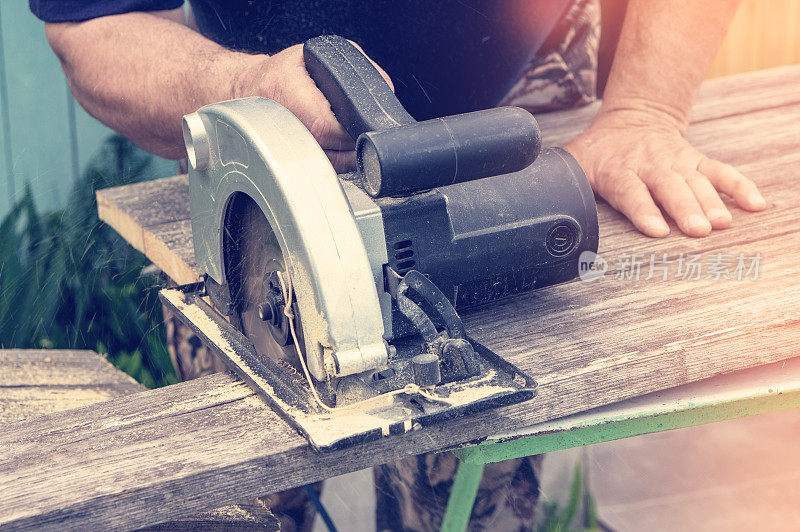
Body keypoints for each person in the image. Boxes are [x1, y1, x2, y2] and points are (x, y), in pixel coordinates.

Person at [31, 1, 766, 530]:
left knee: (466, 478)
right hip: (257, 106)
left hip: (523, 71)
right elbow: (91, 27)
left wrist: (645, 112)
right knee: (244, 470)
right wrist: (239, 90)